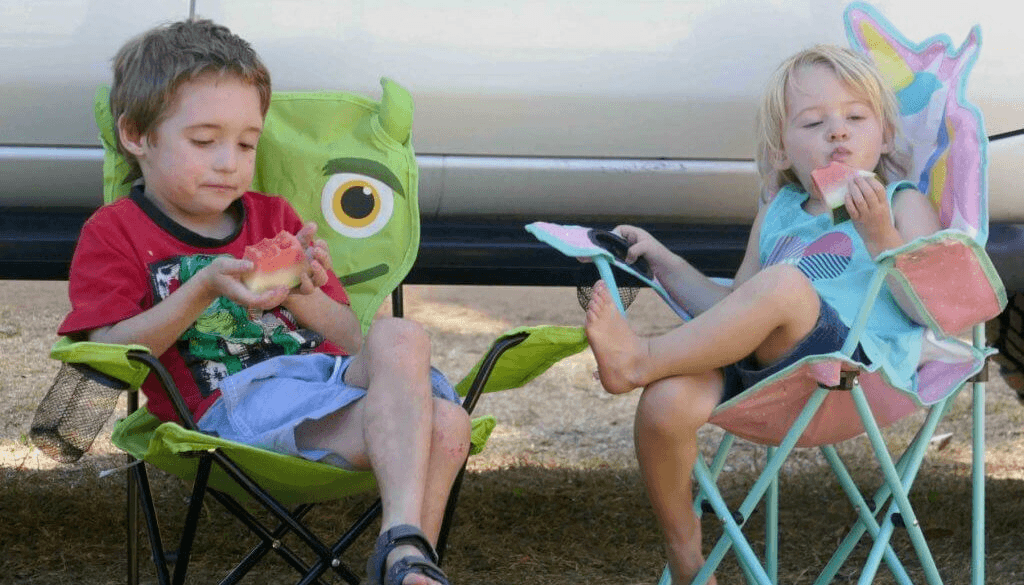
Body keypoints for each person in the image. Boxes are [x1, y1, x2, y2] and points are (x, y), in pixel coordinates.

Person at [57, 19, 466, 585]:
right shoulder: (116, 231)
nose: (230, 161)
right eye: (205, 141)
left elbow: (351, 338)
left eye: (247, 143)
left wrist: (302, 294)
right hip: (232, 408)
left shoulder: (275, 217)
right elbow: (105, 353)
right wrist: (200, 290)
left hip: (327, 379)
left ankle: (404, 551)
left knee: (404, 336)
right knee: (443, 424)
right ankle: (408, 564)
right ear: (136, 135)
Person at [584, 45, 943, 584]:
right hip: (766, 366)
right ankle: (685, 553)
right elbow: (735, 308)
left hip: (849, 365)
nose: (838, 133)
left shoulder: (901, 202)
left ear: (885, 135)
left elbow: (930, 308)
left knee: (785, 284)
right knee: (666, 404)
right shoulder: (778, 211)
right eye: (815, 122)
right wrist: (665, 262)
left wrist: (880, 237)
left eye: (855, 118)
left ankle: (639, 359)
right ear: (780, 151)